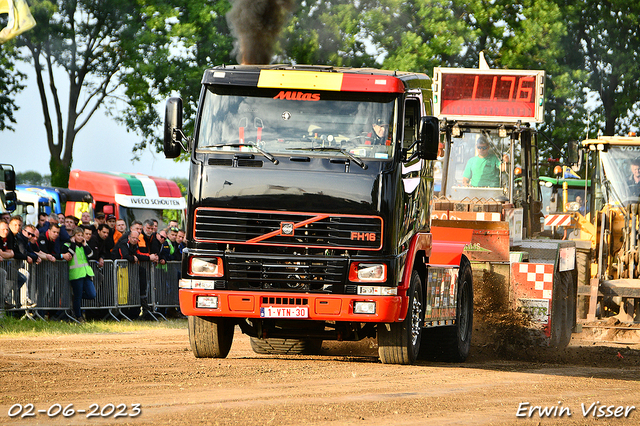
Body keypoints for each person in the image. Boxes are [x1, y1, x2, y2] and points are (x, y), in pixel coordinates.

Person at [61, 227, 96, 321]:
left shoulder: (84, 245)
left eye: (81, 235)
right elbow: (69, 256)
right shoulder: (67, 244)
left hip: (86, 273)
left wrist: (85, 245)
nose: (80, 237)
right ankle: (78, 316)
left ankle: (75, 298)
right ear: (73, 236)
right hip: (76, 274)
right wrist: (72, 244)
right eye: (78, 235)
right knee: (78, 296)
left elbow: (91, 255)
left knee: (92, 294)